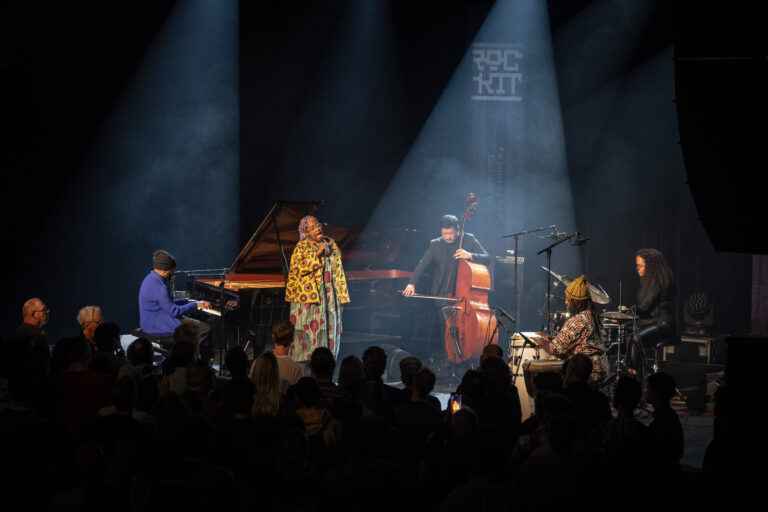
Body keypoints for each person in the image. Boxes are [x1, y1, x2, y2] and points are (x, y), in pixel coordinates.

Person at [402, 215, 489, 356]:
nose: (447, 237)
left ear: (458, 229)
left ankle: (466, 355)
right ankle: (449, 357)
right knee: (446, 328)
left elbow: (488, 257)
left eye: (451, 233)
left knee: (464, 328)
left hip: (464, 294)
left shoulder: (469, 239)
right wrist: (411, 283)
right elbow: (422, 264)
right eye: (444, 234)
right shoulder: (435, 244)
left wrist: (471, 255)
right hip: (442, 293)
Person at [285, 216, 349, 362]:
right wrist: (316, 254)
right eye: (312, 228)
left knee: (329, 330)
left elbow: (339, 269)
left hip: (329, 294)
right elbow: (297, 268)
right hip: (310, 297)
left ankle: (326, 368)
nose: (317, 229)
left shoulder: (330, 243)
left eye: (318, 225)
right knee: (306, 333)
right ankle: (301, 371)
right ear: (306, 233)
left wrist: (341, 295)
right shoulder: (302, 246)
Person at [138, 249, 212, 355]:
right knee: (205, 327)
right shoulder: (160, 286)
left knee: (192, 321)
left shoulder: (149, 279)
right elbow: (174, 311)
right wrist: (195, 304)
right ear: (165, 270)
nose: (173, 273)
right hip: (158, 325)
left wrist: (186, 301)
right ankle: (193, 358)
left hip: (148, 322)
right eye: (172, 270)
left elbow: (167, 303)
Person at [537, 275, 607, 384]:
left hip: (587, 373)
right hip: (600, 368)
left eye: (568, 299)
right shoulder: (591, 316)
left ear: (576, 302)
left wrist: (540, 341)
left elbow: (556, 350)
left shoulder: (577, 321)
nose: (565, 302)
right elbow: (579, 341)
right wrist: (552, 339)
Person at [633, 248, 676, 355]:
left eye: (640, 265)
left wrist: (624, 314)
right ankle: (635, 368)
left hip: (663, 326)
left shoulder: (656, 284)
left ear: (650, 267)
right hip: (654, 323)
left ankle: (635, 369)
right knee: (630, 336)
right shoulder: (650, 283)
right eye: (637, 265)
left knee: (635, 339)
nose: (637, 268)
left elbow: (644, 308)